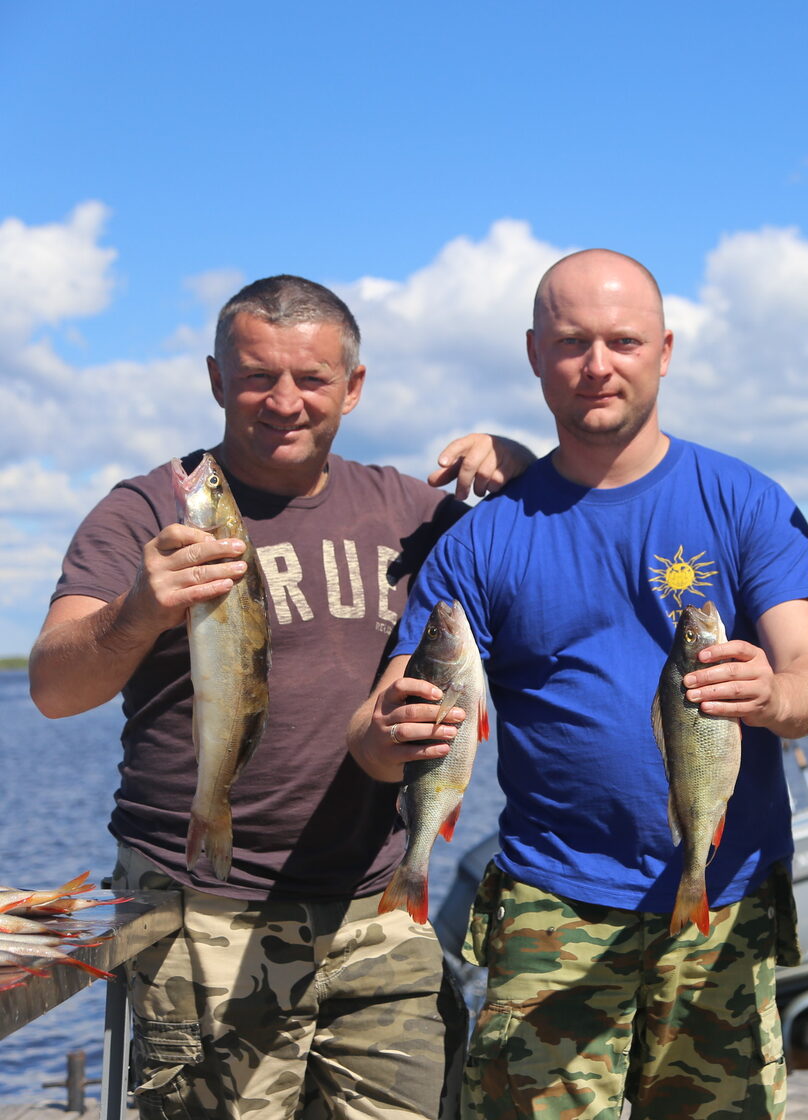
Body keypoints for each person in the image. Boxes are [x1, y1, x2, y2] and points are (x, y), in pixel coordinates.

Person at [348, 248, 808, 1120]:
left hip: (725, 902)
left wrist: (774, 695)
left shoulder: (744, 499)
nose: (598, 365)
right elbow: (381, 727)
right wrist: (384, 737)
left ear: (665, 349)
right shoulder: (480, 541)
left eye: (623, 340)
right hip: (552, 902)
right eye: (573, 343)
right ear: (535, 354)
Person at [28, 273, 533, 1120]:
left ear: (355, 387)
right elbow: (51, 686)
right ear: (217, 379)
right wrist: (138, 610)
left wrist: (520, 468)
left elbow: (543, 561)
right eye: (258, 376)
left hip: (380, 909)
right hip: (205, 915)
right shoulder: (151, 509)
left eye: (312, 379)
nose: (284, 401)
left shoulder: (411, 512)